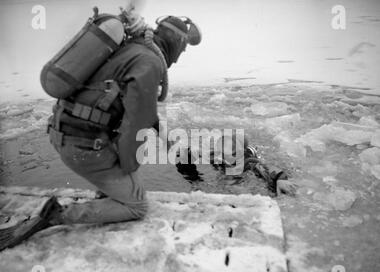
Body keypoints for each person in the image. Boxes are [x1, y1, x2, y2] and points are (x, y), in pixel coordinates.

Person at [0, 15, 201, 251]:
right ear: (176, 41)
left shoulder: (133, 49)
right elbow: (138, 123)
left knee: (127, 180)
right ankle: (58, 215)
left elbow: (138, 110)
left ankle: (107, 192)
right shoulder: (150, 62)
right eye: (184, 47)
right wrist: (127, 168)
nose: (181, 55)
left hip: (67, 132)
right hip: (82, 143)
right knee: (136, 205)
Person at [175, 132, 297, 196]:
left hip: (243, 179)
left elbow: (271, 170)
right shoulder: (219, 157)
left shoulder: (249, 163)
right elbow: (191, 157)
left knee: (235, 189)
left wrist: (281, 179)